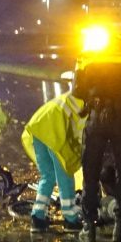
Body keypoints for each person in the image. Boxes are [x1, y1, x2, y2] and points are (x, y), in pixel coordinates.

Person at [72, 25, 121, 242]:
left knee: (90, 173)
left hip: (96, 119)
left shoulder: (87, 58)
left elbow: (77, 91)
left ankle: (89, 228)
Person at [21, 82, 87, 230]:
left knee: (48, 175)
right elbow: (79, 136)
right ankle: (71, 218)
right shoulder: (85, 106)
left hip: (38, 127)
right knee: (65, 172)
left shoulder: (72, 97)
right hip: (53, 130)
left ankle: (38, 216)